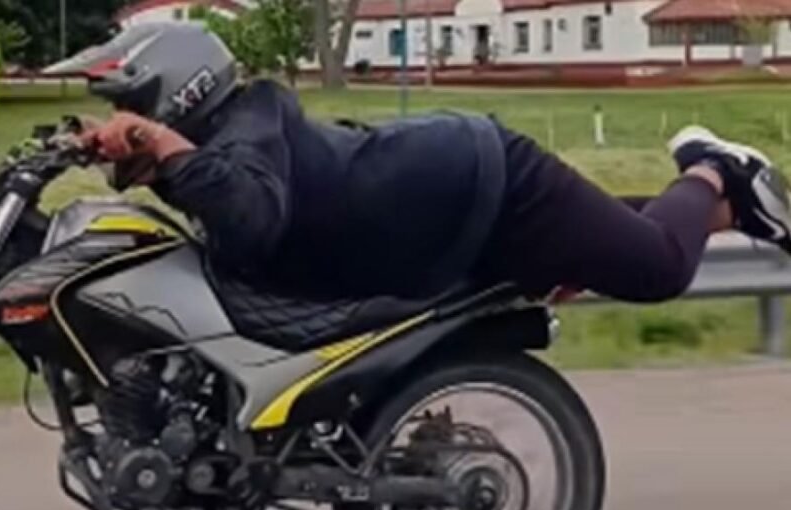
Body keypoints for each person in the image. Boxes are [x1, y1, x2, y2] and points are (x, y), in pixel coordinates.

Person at [47, 23, 791, 304]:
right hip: (448, 220)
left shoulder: (240, 142)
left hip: (487, 181)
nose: (118, 123)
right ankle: (732, 208)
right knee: (602, 240)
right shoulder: (225, 143)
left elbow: (250, 218)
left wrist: (162, 147)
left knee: (657, 268)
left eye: (128, 107)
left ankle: (711, 171)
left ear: (174, 97)